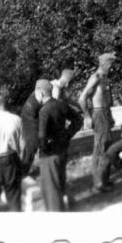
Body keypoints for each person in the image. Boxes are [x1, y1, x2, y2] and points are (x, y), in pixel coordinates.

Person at [36, 81, 84, 211]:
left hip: (49, 155)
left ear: (40, 92)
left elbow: (42, 136)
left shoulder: (44, 111)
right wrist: (68, 134)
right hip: (62, 149)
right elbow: (79, 120)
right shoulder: (61, 104)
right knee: (60, 185)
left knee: (52, 192)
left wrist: (43, 149)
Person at [79, 52, 118, 193]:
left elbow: (107, 99)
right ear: (105, 64)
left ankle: (103, 179)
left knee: (104, 146)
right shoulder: (95, 78)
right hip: (98, 113)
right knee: (102, 147)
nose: (113, 68)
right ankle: (98, 183)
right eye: (111, 65)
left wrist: (110, 116)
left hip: (105, 113)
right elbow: (82, 98)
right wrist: (87, 117)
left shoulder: (105, 78)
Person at [20, 78, 50, 178]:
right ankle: (23, 173)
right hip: (30, 123)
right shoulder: (33, 102)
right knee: (31, 147)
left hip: (30, 122)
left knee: (30, 149)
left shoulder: (36, 95)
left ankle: (23, 170)